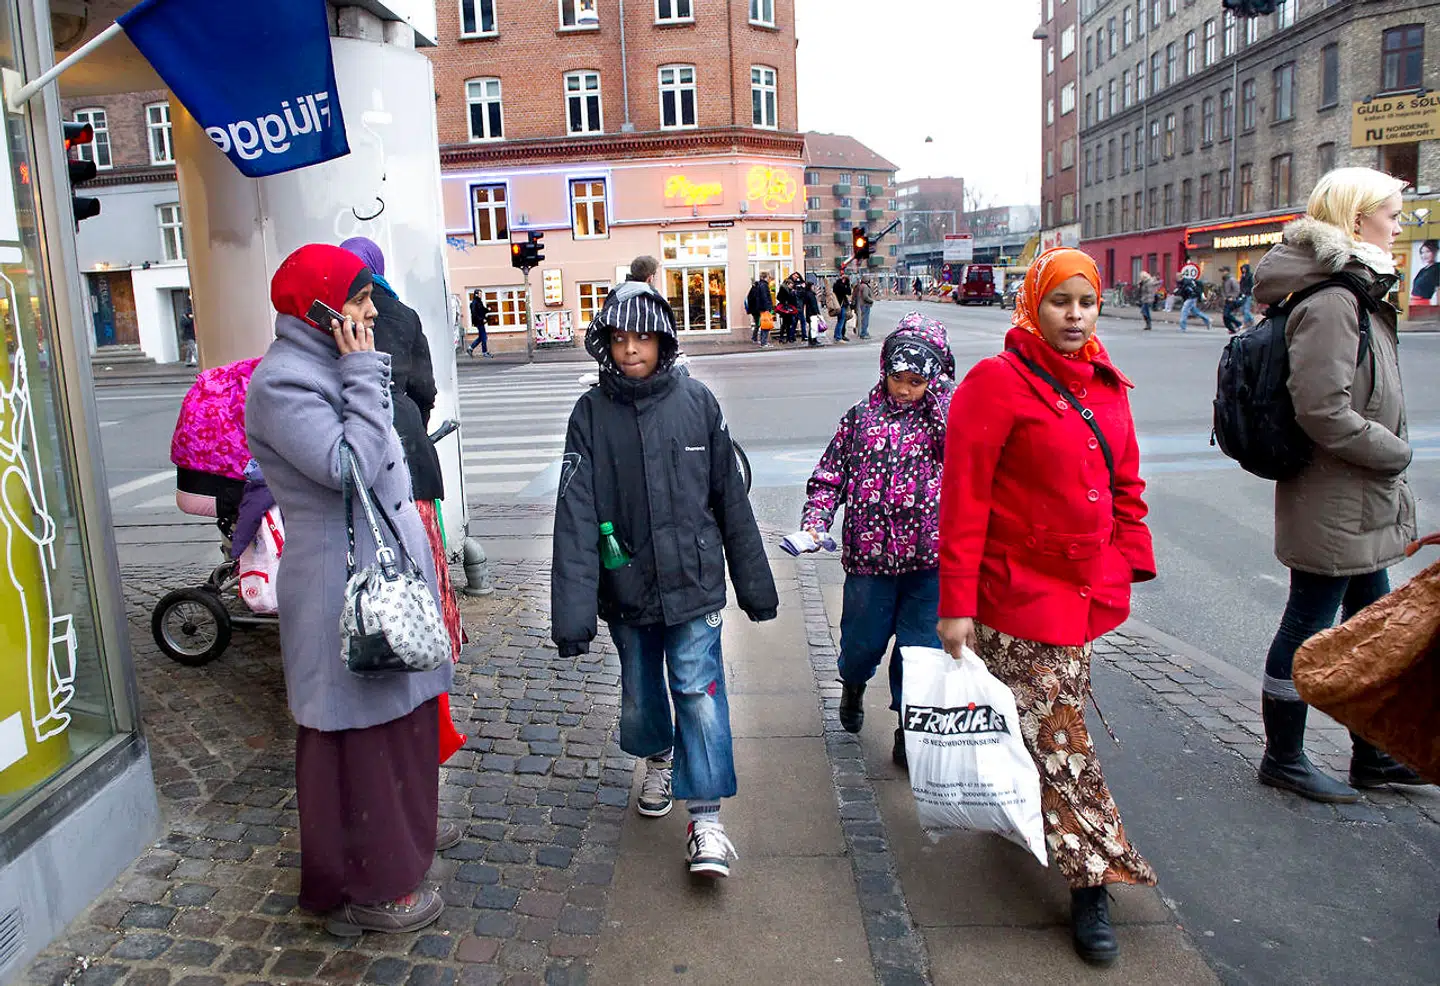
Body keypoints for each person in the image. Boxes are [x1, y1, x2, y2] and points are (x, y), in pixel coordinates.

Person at [937, 247, 1157, 967]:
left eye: (1085, 302)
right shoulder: (995, 384)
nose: (1074, 315)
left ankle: (1036, 821)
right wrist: (955, 604)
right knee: (1062, 737)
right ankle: (1092, 880)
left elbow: (1127, 482)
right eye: (1059, 301)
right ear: (1033, 305)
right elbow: (964, 500)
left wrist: (1127, 554)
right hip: (1016, 593)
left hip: (1084, 588)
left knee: (1046, 724)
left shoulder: (1106, 384)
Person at [246, 244, 454, 936]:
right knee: (360, 741)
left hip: (379, 579)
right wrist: (364, 371)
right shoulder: (283, 383)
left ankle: (404, 846)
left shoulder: (330, 364)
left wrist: (359, 368)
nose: (371, 311)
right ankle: (372, 884)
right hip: (344, 593)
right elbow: (352, 467)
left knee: (399, 729)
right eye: (360, 300)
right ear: (320, 311)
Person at [550, 280, 779, 878]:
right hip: (626, 584)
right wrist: (572, 614)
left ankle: (706, 819)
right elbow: (574, 511)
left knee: (699, 691)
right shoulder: (590, 415)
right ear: (605, 344)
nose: (630, 350)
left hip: (695, 582)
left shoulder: (698, 403)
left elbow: (730, 499)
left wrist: (753, 586)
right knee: (641, 691)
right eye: (619, 339)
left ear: (664, 341)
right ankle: (658, 757)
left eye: (642, 338)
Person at [1251, 167, 1422, 803]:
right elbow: (1322, 408)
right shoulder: (1333, 299)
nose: (1399, 223)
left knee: (1372, 628)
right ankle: (1284, 757)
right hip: (1333, 495)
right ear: (1356, 221)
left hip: (1360, 492)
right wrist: (1394, 452)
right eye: (1390, 212)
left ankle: (1373, 756)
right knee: (1309, 622)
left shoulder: (1358, 289)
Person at [801, 314, 955, 768]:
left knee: (919, 653)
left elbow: (974, 467)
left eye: (916, 381)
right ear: (883, 370)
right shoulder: (861, 418)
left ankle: (910, 730)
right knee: (861, 643)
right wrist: (816, 521)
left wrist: (945, 397)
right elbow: (829, 477)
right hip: (869, 564)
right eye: (896, 378)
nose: (905, 389)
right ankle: (853, 683)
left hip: (927, 564)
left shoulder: (945, 421)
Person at [340, 237, 465, 676]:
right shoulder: (403, 314)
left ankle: (378, 636)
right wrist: (413, 425)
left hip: (359, 454)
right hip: (409, 444)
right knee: (421, 552)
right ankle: (437, 636)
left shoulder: (336, 316)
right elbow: (425, 389)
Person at [1176, 266, 1211, 331]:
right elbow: (1182, 291)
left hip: (1191, 297)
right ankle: (1207, 319)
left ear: (1181, 277)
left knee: (1184, 310)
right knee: (1195, 312)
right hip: (1189, 298)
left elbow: (1190, 290)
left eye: (1177, 277)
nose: (1176, 278)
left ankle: (1182, 327)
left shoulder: (1187, 282)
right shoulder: (1180, 282)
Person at [746, 270, 774, 346]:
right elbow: (765, 297)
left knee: (761, 324)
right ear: (766, 277)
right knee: (765, 325)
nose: (769, 278)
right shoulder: (764, 285)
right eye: (768, 277)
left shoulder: (759, 285)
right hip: (764, 309)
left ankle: (762, 341)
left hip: (759, 308)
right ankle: (763, 342)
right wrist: (768, 308)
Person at [777, 273, 803, 344]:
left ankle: (787, 338)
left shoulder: (790, 290)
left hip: (789, 309)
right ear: (788, 284)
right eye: (791, 284)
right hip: (785, 309)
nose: (792, 286)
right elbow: (780, 297)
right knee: (785, 324)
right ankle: (782, 338)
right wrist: (785, 302)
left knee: (788, 324)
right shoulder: (784, 290)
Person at [1410, 239, 1439, 304]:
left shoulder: (1437, 267)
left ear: (1435, 251)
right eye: (1422, 252)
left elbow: (1438, 288)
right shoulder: (1423, 270)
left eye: (1428, 251)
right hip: (1414, 301)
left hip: (1423, 302)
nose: (1424, 255)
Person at [467, 290, 491, 357]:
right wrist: (481, 319)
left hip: (481, 322)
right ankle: (484, 352)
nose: (481, 295)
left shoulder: (479, 302)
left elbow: (482, 310)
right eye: (480, 294)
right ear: (476, 294)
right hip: (478, 322)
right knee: (484, 337)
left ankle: (470, 348)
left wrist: (488, 310)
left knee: (481, 337)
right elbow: (474, 313)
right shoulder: (474, 302)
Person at [1220, 266, 1242, 333]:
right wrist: (1224, 296)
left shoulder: (1232, 279)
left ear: (1227, 271)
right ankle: (1231, 329)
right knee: (1225, 316)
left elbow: (1237, 290)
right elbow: (1223, 290)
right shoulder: (1224, 280)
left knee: (1226, 314)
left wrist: (1232, 297)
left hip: (1232, 300)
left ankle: (1238, 323)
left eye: (1223, 271)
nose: (1222, 273)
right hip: (1227, 299)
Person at [855, 275, 875, 340]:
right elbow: (865, 296)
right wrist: (871, 300)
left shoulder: (861, 286)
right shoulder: (865, 287)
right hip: (865, 304)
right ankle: (864, 333)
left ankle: (863, 332)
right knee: (865, 319)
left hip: (862, 304)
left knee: (863, 319)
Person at [833, 273, 852, 341]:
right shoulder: (839, 285)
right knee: (841, 320)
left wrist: (847, 285)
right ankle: (838, 336)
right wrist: (846, 285)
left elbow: (849, 292)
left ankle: (837, 335)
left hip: (840, 305)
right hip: (840, 305)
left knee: (840, 320)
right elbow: (846, 292)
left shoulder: (838, 284)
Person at [1238, 262, 1256, 328]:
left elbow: (1251, 285)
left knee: (1246, 309)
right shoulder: (1242, 276)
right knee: (1243, 309)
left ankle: (1245, 323)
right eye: (1242, 268)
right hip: (1243, 294)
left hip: (1248, 294)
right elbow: (1241, 285)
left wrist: (1247, 291)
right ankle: (1251, 320)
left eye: (1244, 268)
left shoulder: (1250, 275)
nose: (1243, 270)